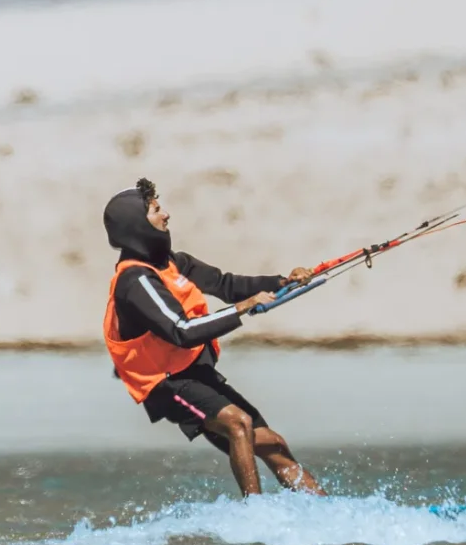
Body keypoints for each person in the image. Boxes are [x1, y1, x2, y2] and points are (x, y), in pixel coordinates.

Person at [101, 178, 322, 497]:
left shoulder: (172, 263)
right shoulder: (135, 280)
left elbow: (226, 284)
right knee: (238, 423)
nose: (166, 215)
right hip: (165, 384)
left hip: (194, 374)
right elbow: (182, 331)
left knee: (274, 444)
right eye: (156, 210)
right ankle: (254, 515)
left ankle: (328, 516)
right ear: (137, 224)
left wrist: (284, 281)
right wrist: (243, 309)